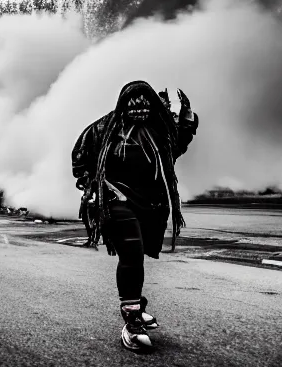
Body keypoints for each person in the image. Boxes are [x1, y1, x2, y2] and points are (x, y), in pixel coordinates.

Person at [71, 81, 198, 351]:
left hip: (150, 205)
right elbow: (80, 160)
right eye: (133, 104)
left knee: (139, 254)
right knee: (131, 251)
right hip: (117, 200)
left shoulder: (159, 132)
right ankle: (131, 320)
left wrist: (187, 121)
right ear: (123, 105)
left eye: (144, 104)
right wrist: (91, 185)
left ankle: (136, 306)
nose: (139, 109)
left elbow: (177, 147)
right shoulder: (103, 130)